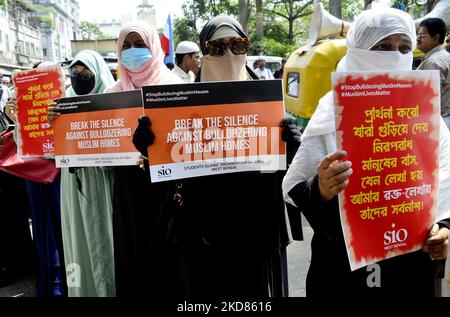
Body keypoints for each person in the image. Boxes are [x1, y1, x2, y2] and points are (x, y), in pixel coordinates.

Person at [282, 8, 450, 297]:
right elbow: (295, 185)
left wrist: (444, 228)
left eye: (404, 47)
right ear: (359, 48)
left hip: (408, 264)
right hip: (342, 270)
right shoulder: (331, 109)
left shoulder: (425, 111)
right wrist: (320, 188)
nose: (394, 55)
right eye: (383, 46)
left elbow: (444, 178)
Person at [134, 15, 301, 297]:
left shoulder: (269, 104)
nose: (228, 53)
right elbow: (167, 173)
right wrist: (150, 147)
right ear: (204, 52)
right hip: (199, 235)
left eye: (237, 45)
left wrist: (291, 149)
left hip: (252, 234)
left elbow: (285, 177)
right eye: (217, 47)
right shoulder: (179, 106)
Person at [104, 20, 181, 297]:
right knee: (132, 258)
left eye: (140, 44)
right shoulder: (111, 97)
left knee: (167, 262)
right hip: (128, 191)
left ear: (153, 48)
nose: (133, 51)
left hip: (167, 190)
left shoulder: (175, 88)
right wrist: (60, 121)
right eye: (126, 45)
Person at [48, 50, 116, 297]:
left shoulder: (113, 99)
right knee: (80, 243)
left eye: (86, 71)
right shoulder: (62, 103)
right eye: (75, 72)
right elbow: (44, 150)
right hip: (74, 185)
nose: (80, 77)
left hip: (105, 182)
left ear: (97, 72)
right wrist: (48, 124)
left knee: (109, 243)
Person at [4, 60, 67, 297]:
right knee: (43, 231)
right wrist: (15, 117)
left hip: (61, 175)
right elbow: (24, 141)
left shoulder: (66, 98)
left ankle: (68, 282)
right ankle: (50, 284)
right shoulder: (23, 101)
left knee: (63, 230)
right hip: (34, 174)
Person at [417, 18, 450, 130]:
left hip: (438, 122)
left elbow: (430, 100)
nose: (418, 39)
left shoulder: (432, 62)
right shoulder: (445, 56)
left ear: (435, 38)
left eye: (422, 36)